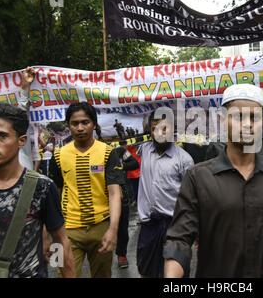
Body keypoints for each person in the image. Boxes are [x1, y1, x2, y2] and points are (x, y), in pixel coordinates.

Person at [163, 84, 263, 278]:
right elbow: (180, 239)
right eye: (238, 116)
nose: (247, 124)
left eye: (254, 117)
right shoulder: (198, 177)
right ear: (223, 119)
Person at [0, 103, 75, 278]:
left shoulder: (42, 187)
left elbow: (59, 241)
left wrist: (63, 273)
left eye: (2, 136)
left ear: (21, 140)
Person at [48, 102, 123, 278]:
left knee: (103, 275)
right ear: (69, 126)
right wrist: (49, 233)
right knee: (63, 274)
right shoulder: (58, 155)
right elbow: (53, 195)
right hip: (67, 229)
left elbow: (114, 193)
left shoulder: (108, 152)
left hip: (101, 227)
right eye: (75, 123)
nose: (80, 128)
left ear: (94, 124)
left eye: (85, 122)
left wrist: (113, 229)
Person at [136, 109, 194, 278]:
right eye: (155, 128)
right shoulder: (144, 150)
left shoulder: (184, 160)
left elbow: (191, 198)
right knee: (146, 270)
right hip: (149, 224)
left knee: (176, 273)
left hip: (175, 227)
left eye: (164, 128)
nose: (160, 133)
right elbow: (120, 149)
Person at [113, 140, 139, 269]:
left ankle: (121, 254)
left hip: (121, 196)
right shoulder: (93, 154)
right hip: (100, 198)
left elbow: (134, 163)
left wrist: (121, 166)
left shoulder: (119, 151)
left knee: (123, 228)